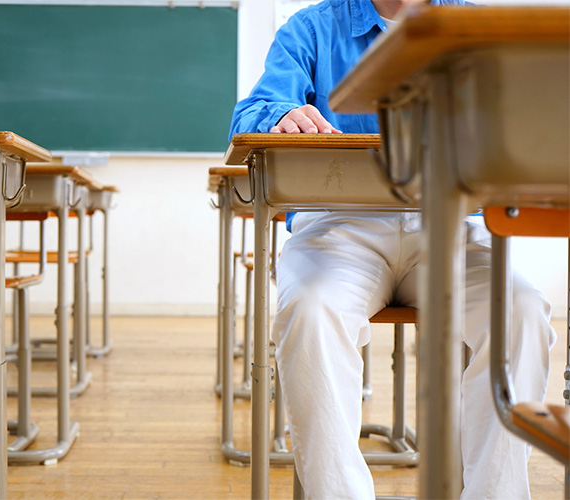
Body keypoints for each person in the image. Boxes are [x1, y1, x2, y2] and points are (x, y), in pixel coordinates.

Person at [228, 1, 557, 498]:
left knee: (522, 310)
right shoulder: (314, 27)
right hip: (342, 224)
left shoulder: (477, 27)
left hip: (450, 223)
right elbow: (250, 116)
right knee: (311, 310)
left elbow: (530, 116)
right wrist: (283, 112)